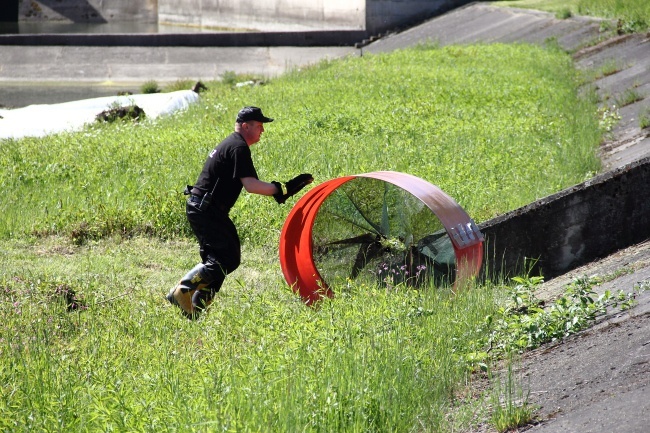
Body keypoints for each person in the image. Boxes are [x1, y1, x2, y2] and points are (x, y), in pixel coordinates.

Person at [167, 106, 313, 319]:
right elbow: (251, 185)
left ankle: (196, 309)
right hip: (206, 209)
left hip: (204, 208)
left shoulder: (233, 143)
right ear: (246, 126)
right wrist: (282, 189)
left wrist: (281, 191)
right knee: (226, 258)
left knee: (221, 258)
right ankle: (182, 291)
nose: (262, 130)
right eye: (260, 126)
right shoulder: (238, 147)